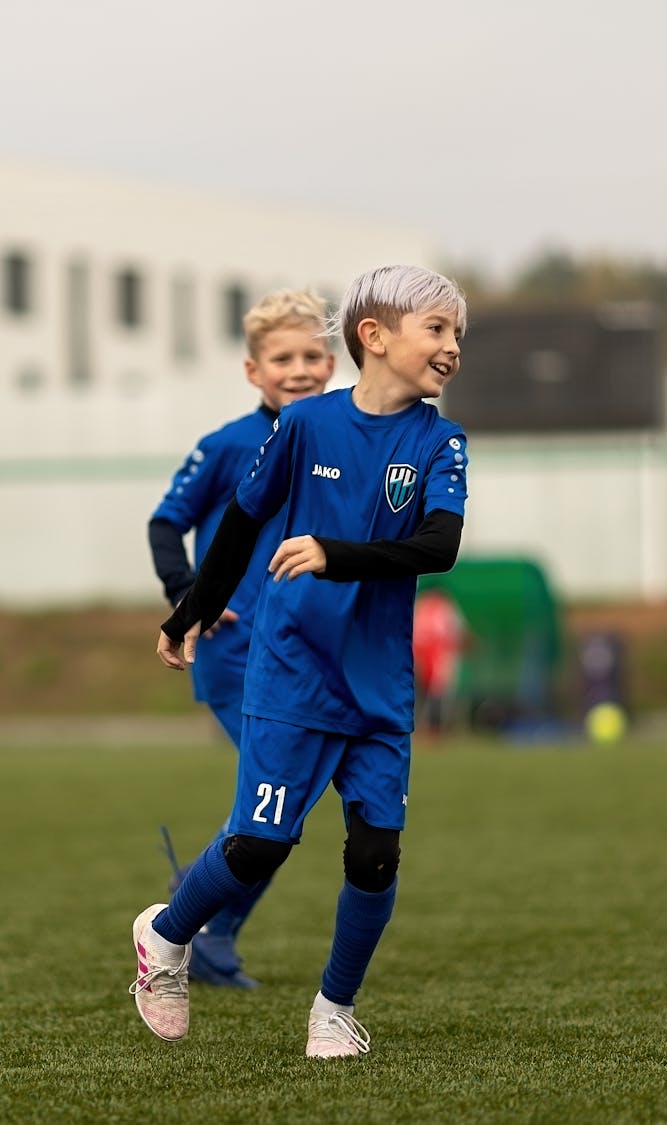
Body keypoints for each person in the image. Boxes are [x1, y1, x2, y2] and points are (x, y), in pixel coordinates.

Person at [130, 264, 469, 1058]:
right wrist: (189, 612)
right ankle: (167, 935)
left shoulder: (441, 440)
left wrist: (329, 552)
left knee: (376, 853)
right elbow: (240, 527)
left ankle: (332, 1010)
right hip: (291, 668)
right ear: (374, 337)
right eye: (438, 329)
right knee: (262, 842)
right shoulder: (306, 425)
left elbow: (438, 546)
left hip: (380, 681)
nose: (452, 346)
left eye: (458, 333)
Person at [147, 289, 335, 987]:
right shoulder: (227, 445)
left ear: (333, 362)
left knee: (282, 809)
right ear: (253, 370)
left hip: (315, 655)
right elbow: (166, 523)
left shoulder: (343, 437)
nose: (299, 368)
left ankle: (203, 914)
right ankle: (200, 927)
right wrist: (188, 596)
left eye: (312, 355)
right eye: (281, 357)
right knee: (274, 807)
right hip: (236, 653)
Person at [412, 586, 468, 735]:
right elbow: (457, 634)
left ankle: (428, 728)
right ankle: (432, 728)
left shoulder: (420, 605)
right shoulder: (445, 608)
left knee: (425, 693)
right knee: (436, 692)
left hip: (419, 655)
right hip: (436, 656)